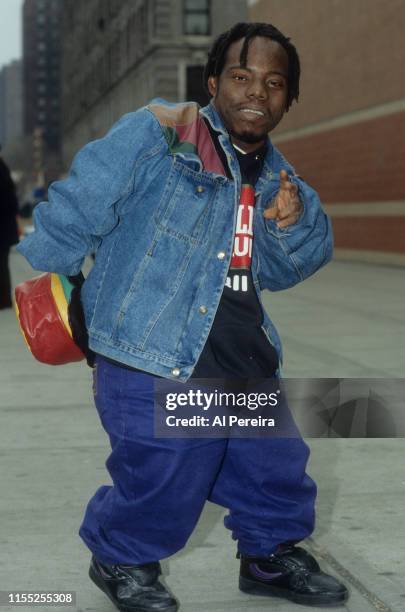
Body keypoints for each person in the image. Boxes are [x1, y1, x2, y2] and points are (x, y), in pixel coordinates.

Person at [18, 21, 349, 612]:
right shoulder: (163, 133)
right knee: (166, 469)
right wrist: (54, 263)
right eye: (243, 77)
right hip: (150, 348)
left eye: (275, 83)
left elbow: (292, 265)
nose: (257, 93)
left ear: (289, 98)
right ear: (215, 81)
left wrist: (288, 223)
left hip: (241, 352)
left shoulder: (280, 176)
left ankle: (268, 557)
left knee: (273, 466)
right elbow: (85, 194)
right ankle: (121, 555)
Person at [0, 149, 19, 309]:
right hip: (5, 227)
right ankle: (4, 299)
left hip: (2, 227)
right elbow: (13, 202)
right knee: (3, 264)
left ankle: (3, 300)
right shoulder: (4, 169)